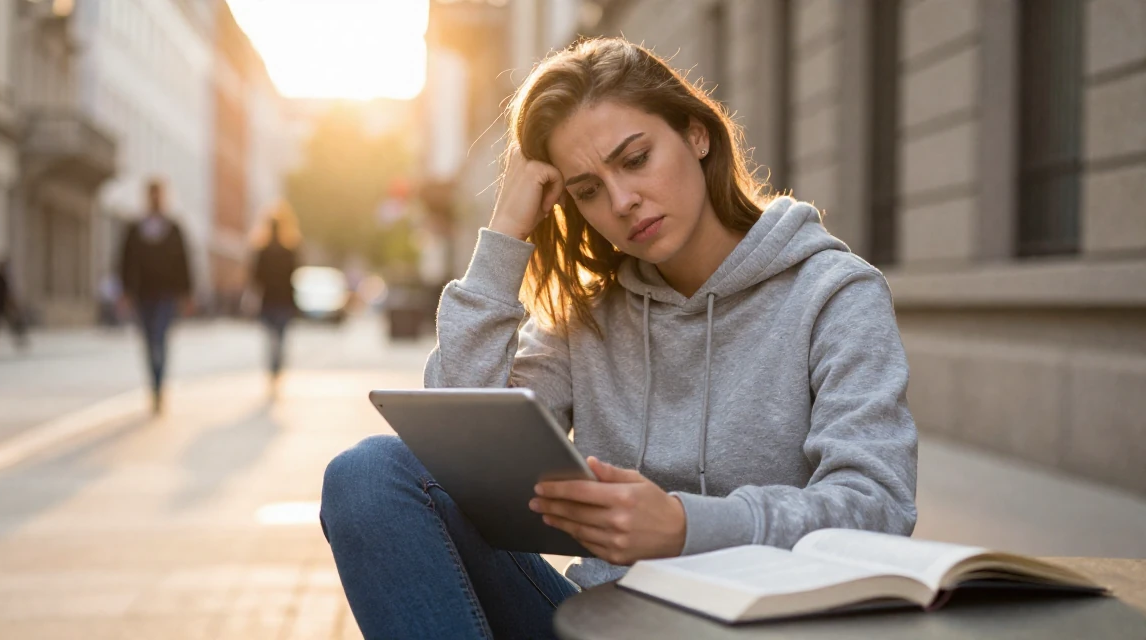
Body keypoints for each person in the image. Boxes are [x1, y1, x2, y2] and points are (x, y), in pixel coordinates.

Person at [320, 38, 918, 639]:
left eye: (635, 159)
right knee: (370, 475)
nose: (623, 202)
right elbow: (453, 449)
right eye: (587, 191)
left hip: (764, 624)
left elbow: (878, 506)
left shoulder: (833, 293)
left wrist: (687, 525)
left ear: (696, 134)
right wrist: (504, 235)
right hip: (604, 624)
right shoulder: (586, 316)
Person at [118, 179, 193, 415]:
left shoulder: (173, 228)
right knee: (149, 341)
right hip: (143, 294)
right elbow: (125, 261)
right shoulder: (135, 228)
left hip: (166, 295)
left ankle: (160, 386)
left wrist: (186, 294)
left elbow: (184, 263)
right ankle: (154, 385)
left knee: (160, 338)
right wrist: (125, 292)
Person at [250, 201, 301, 391]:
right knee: (274, 339)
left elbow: (293, 275)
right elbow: (256, 277)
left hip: (280, 300)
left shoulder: (288, 251)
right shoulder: (265, 251)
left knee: (277, 339)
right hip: (272, 300)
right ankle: (274, 369)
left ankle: (275, 369)